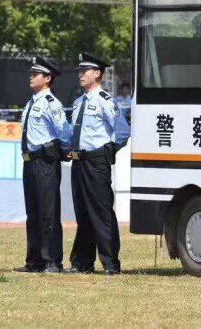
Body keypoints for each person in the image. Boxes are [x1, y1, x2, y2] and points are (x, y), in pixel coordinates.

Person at [64, 53, 130, 275]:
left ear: (98, 74)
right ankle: (82, 262)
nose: (81, 74)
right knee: (83, 213)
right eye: (80, 71)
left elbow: (122, 131)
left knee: (101, 213)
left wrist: (106, 152)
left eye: (86, 71)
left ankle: (110, 263)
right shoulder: (78, 102)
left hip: (96, 163)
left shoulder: (104, 100)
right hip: (78, 163)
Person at [14, 57, 72, 273]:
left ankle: (52, 261)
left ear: (47, 78)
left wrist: (63, 150)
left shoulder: (51, 103)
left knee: (48, 212)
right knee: (33, 213)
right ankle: (34, 260)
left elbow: (64, 132)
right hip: (29, 163)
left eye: (35, 74)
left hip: (45, 162)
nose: (30, 77)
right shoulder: (31, 102)